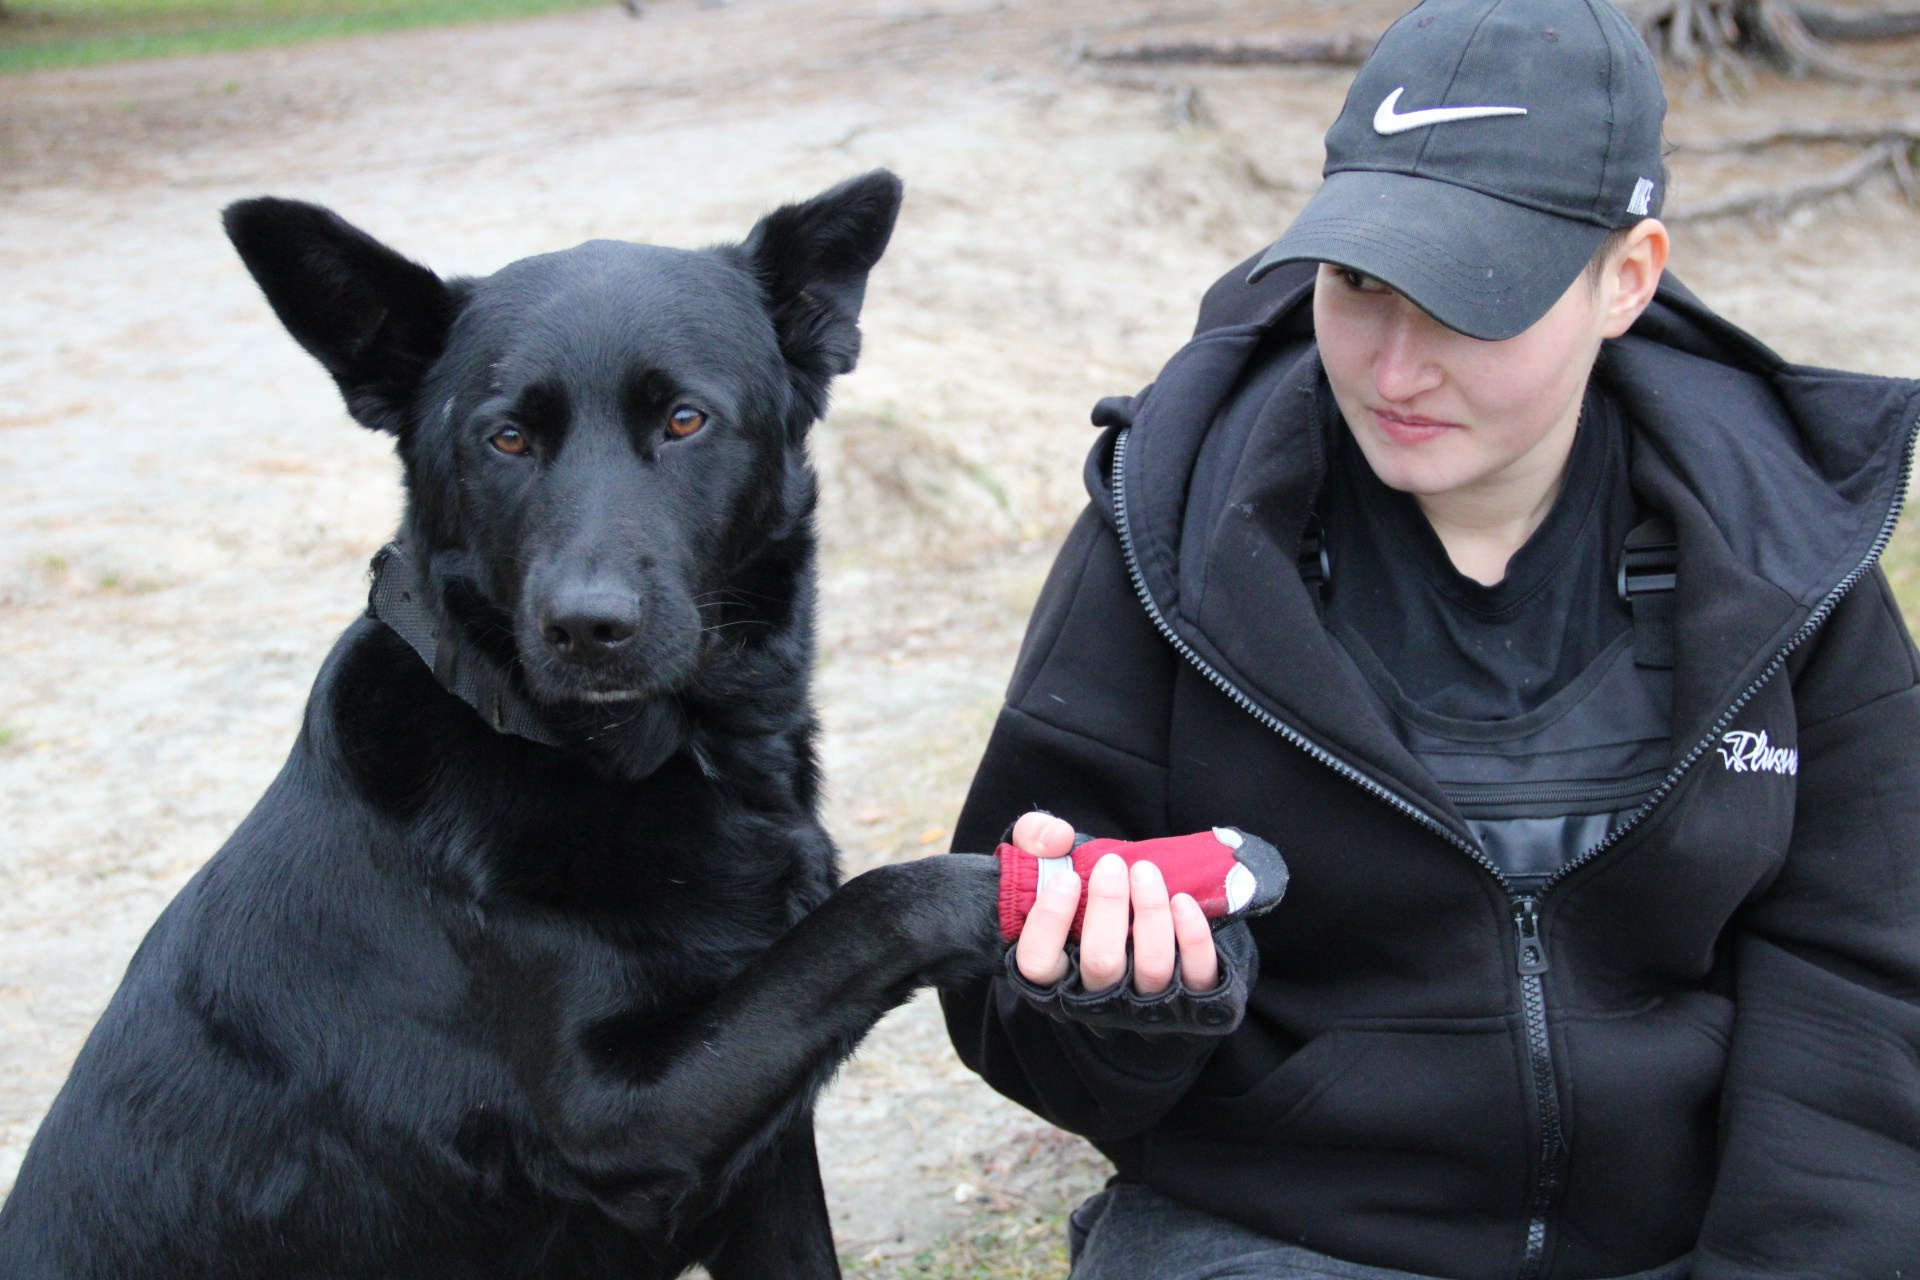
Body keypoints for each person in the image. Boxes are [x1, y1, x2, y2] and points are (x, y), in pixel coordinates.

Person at [939, 0, 1920, 1276]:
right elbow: (1008, 1011)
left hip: (1688, 1236)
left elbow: (1866, 981)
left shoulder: (1784, 551)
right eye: (1359, 283)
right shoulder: (1165, 529)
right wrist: (1120, 1012)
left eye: (1474, 301)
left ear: (1627, 279)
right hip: (1274, 1231)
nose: (1393, 369)